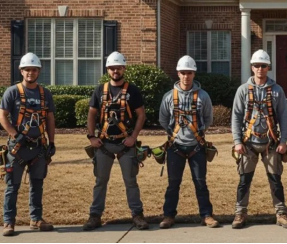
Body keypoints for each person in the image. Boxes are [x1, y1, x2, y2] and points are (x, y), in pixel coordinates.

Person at [83, 52, 148, 231]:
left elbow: (141, 115)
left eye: (118, 67)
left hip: (125, 144)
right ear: (107, 70)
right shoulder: (99, 90)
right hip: (103, 144)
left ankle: (137, 215)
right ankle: (95, 216)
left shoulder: (132, 90)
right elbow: (92, 114)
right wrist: (92, 136)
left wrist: (133, 137)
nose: (115, 71)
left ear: (124, 68)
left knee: (130, 180)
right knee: (100, 180)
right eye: (112, 68)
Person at [231, 50, 287, 229]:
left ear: (268, 67)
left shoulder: (277, 90)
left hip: (271, 143)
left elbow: (284, 117)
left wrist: (283, 141)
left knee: (275, 179)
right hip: (248, 143)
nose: (260, 69)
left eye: (263, 66)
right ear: (252, 67)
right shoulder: (242, 90)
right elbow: (236, 117)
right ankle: (240, 212)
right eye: (257, 66)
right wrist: (237, 141)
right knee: (244, 179)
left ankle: (281, 213)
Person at [0, 53, 56, 236]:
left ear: (39, 71)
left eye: (34, 69)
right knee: (12, 186)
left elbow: (50, 118)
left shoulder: (45, 93)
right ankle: (8, 222)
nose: (31, 72)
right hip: (18, 149)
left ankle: (36, 219)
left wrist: (52, 142)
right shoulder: (12, 92)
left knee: (37, 185)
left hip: (38, 147)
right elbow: (1, 116)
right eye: (27, 69)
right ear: (21, 71)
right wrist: (15, 135)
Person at [158, 56, 219, 229]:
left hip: (197, 147)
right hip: (175, 147)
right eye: (183, 73)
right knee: (173, 184)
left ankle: (206, 215)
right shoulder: (169, 97)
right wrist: (174, 134)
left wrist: (197, 134)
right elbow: (163, 119)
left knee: (200, 182)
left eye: (189, 73)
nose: (186, 76)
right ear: (178, 73)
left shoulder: (203, 96)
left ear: (194, 74)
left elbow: (208, 119)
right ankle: (169, 216)